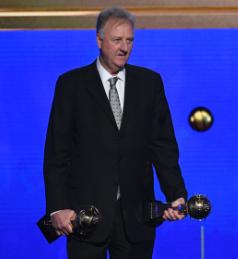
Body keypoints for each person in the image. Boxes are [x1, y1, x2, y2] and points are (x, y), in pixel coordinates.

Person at [43, 7, 187, 259]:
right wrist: (57, 207)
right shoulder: (71, 85)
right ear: (99, 40)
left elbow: (163, 146)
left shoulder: (150, 84)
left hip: (136, 218)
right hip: (85, 217)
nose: (124, 48)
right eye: (117, 40)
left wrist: (176, 194)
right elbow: (57, 152)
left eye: (129, 41)